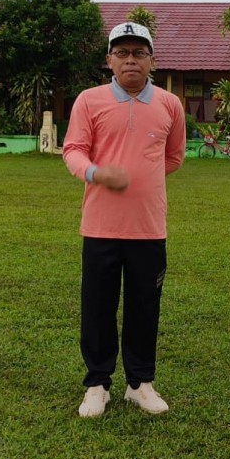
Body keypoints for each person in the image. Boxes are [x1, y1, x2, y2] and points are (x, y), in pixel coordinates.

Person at [63, 22, 186, 418]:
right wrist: (98, 174)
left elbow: (174, 157)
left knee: (144, 306)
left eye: (139, 52)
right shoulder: (89, 100)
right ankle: (97, 384)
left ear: (152, 60)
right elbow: (73, 150)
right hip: (100, 226)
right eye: (122, 53)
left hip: (149, 227)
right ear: (109, 61)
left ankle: (140, 383)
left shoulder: (169, 104)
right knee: (97, 307)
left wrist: (142, 180)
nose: (130, 59)